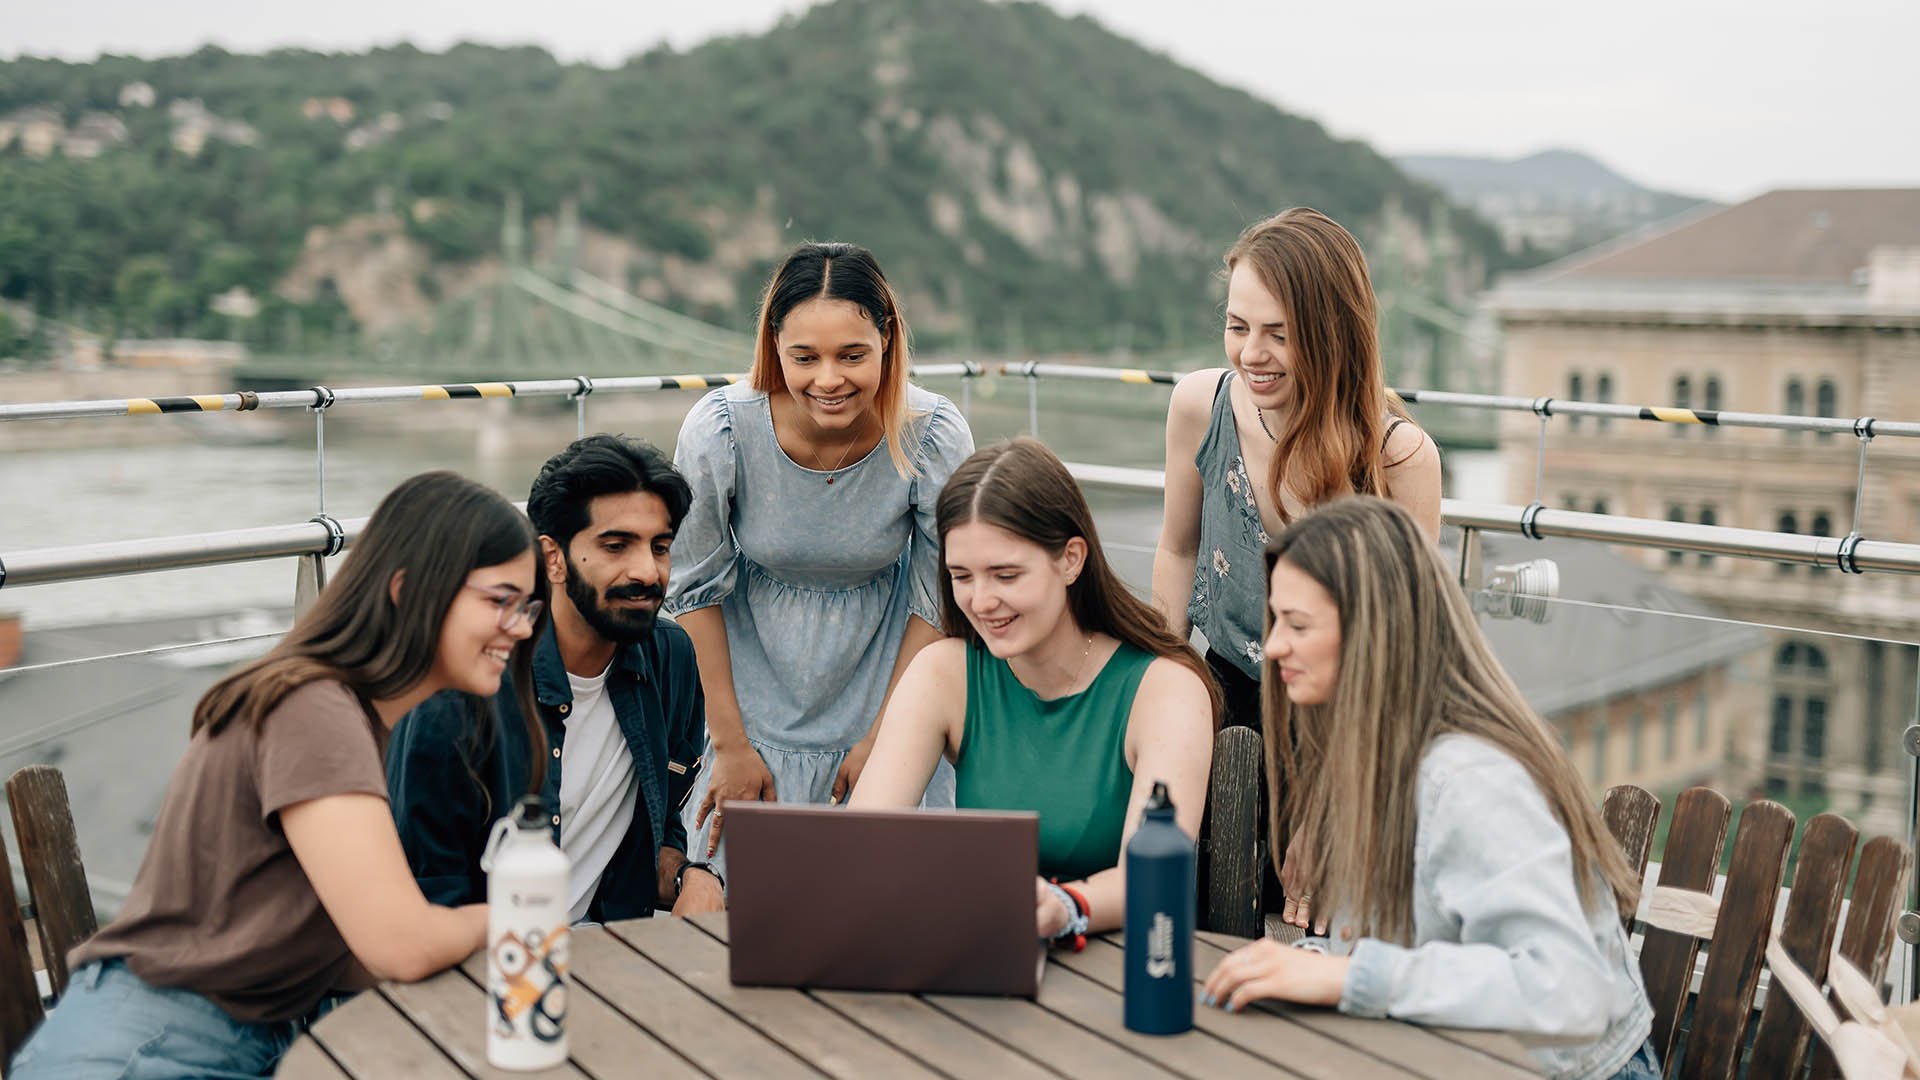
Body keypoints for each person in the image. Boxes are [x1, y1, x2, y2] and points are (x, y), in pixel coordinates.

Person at [9, 472, 547, 1079]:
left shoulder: (341, 710)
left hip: (207, 1039)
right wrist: (525, 913)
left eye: (526, 606)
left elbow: (335, 953)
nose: (522, 627)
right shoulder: (313, 709)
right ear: (407, 590)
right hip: (151, 1050)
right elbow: (402, 947)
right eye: (500, 600)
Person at [1198, 497, 1659, 1080]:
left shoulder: (1468, 779)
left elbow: (1570, 989)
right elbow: (1410, 939)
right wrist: (1313, 963)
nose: (1275, 646)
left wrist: (1348, 976)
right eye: (1276, 620)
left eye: (1298, 624)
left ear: (1373, 633)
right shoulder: (1377, 750)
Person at [668, 240, 974, 876]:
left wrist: (892, 739)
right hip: (745, 693)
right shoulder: (719, 431)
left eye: (852, 355)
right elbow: (693, 589)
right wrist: (728, 743)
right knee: (728, 904)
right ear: (773, 345)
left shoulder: (934, 434)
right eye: (804, 357)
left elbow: (936, 595)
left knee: (884, 899)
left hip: (888, 680)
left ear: (888, 341)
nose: (828, 379)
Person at [852, 438, 1216, 941]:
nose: (981, 601)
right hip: (982, 945)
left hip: (1124, 960)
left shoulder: (1166, 690)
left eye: (1006, 575)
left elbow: (1155, 877)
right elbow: (864, 840)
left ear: (1071, 559)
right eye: (962, 576)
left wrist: (1063, 906)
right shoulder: (944, 672)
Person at [387, 435, 720, 924]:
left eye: (660, 547)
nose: (648, 572)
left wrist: (693, 876)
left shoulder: (670, 658)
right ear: (553, 557)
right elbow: (424, 886)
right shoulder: (463, 684)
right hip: (480, 967)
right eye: (616, 546)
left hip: (609, 958)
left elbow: (657, 831)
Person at [1152, 207, 1443, 729]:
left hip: (1345, 720)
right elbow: (1178, 550)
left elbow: (1410, 636)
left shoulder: (1401, 458)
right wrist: (1159, 687)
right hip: (1220, 706)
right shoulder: (1199, 406)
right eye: (1237, 327)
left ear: (1334, 333)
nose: (1252, 354)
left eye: (1279, 335)